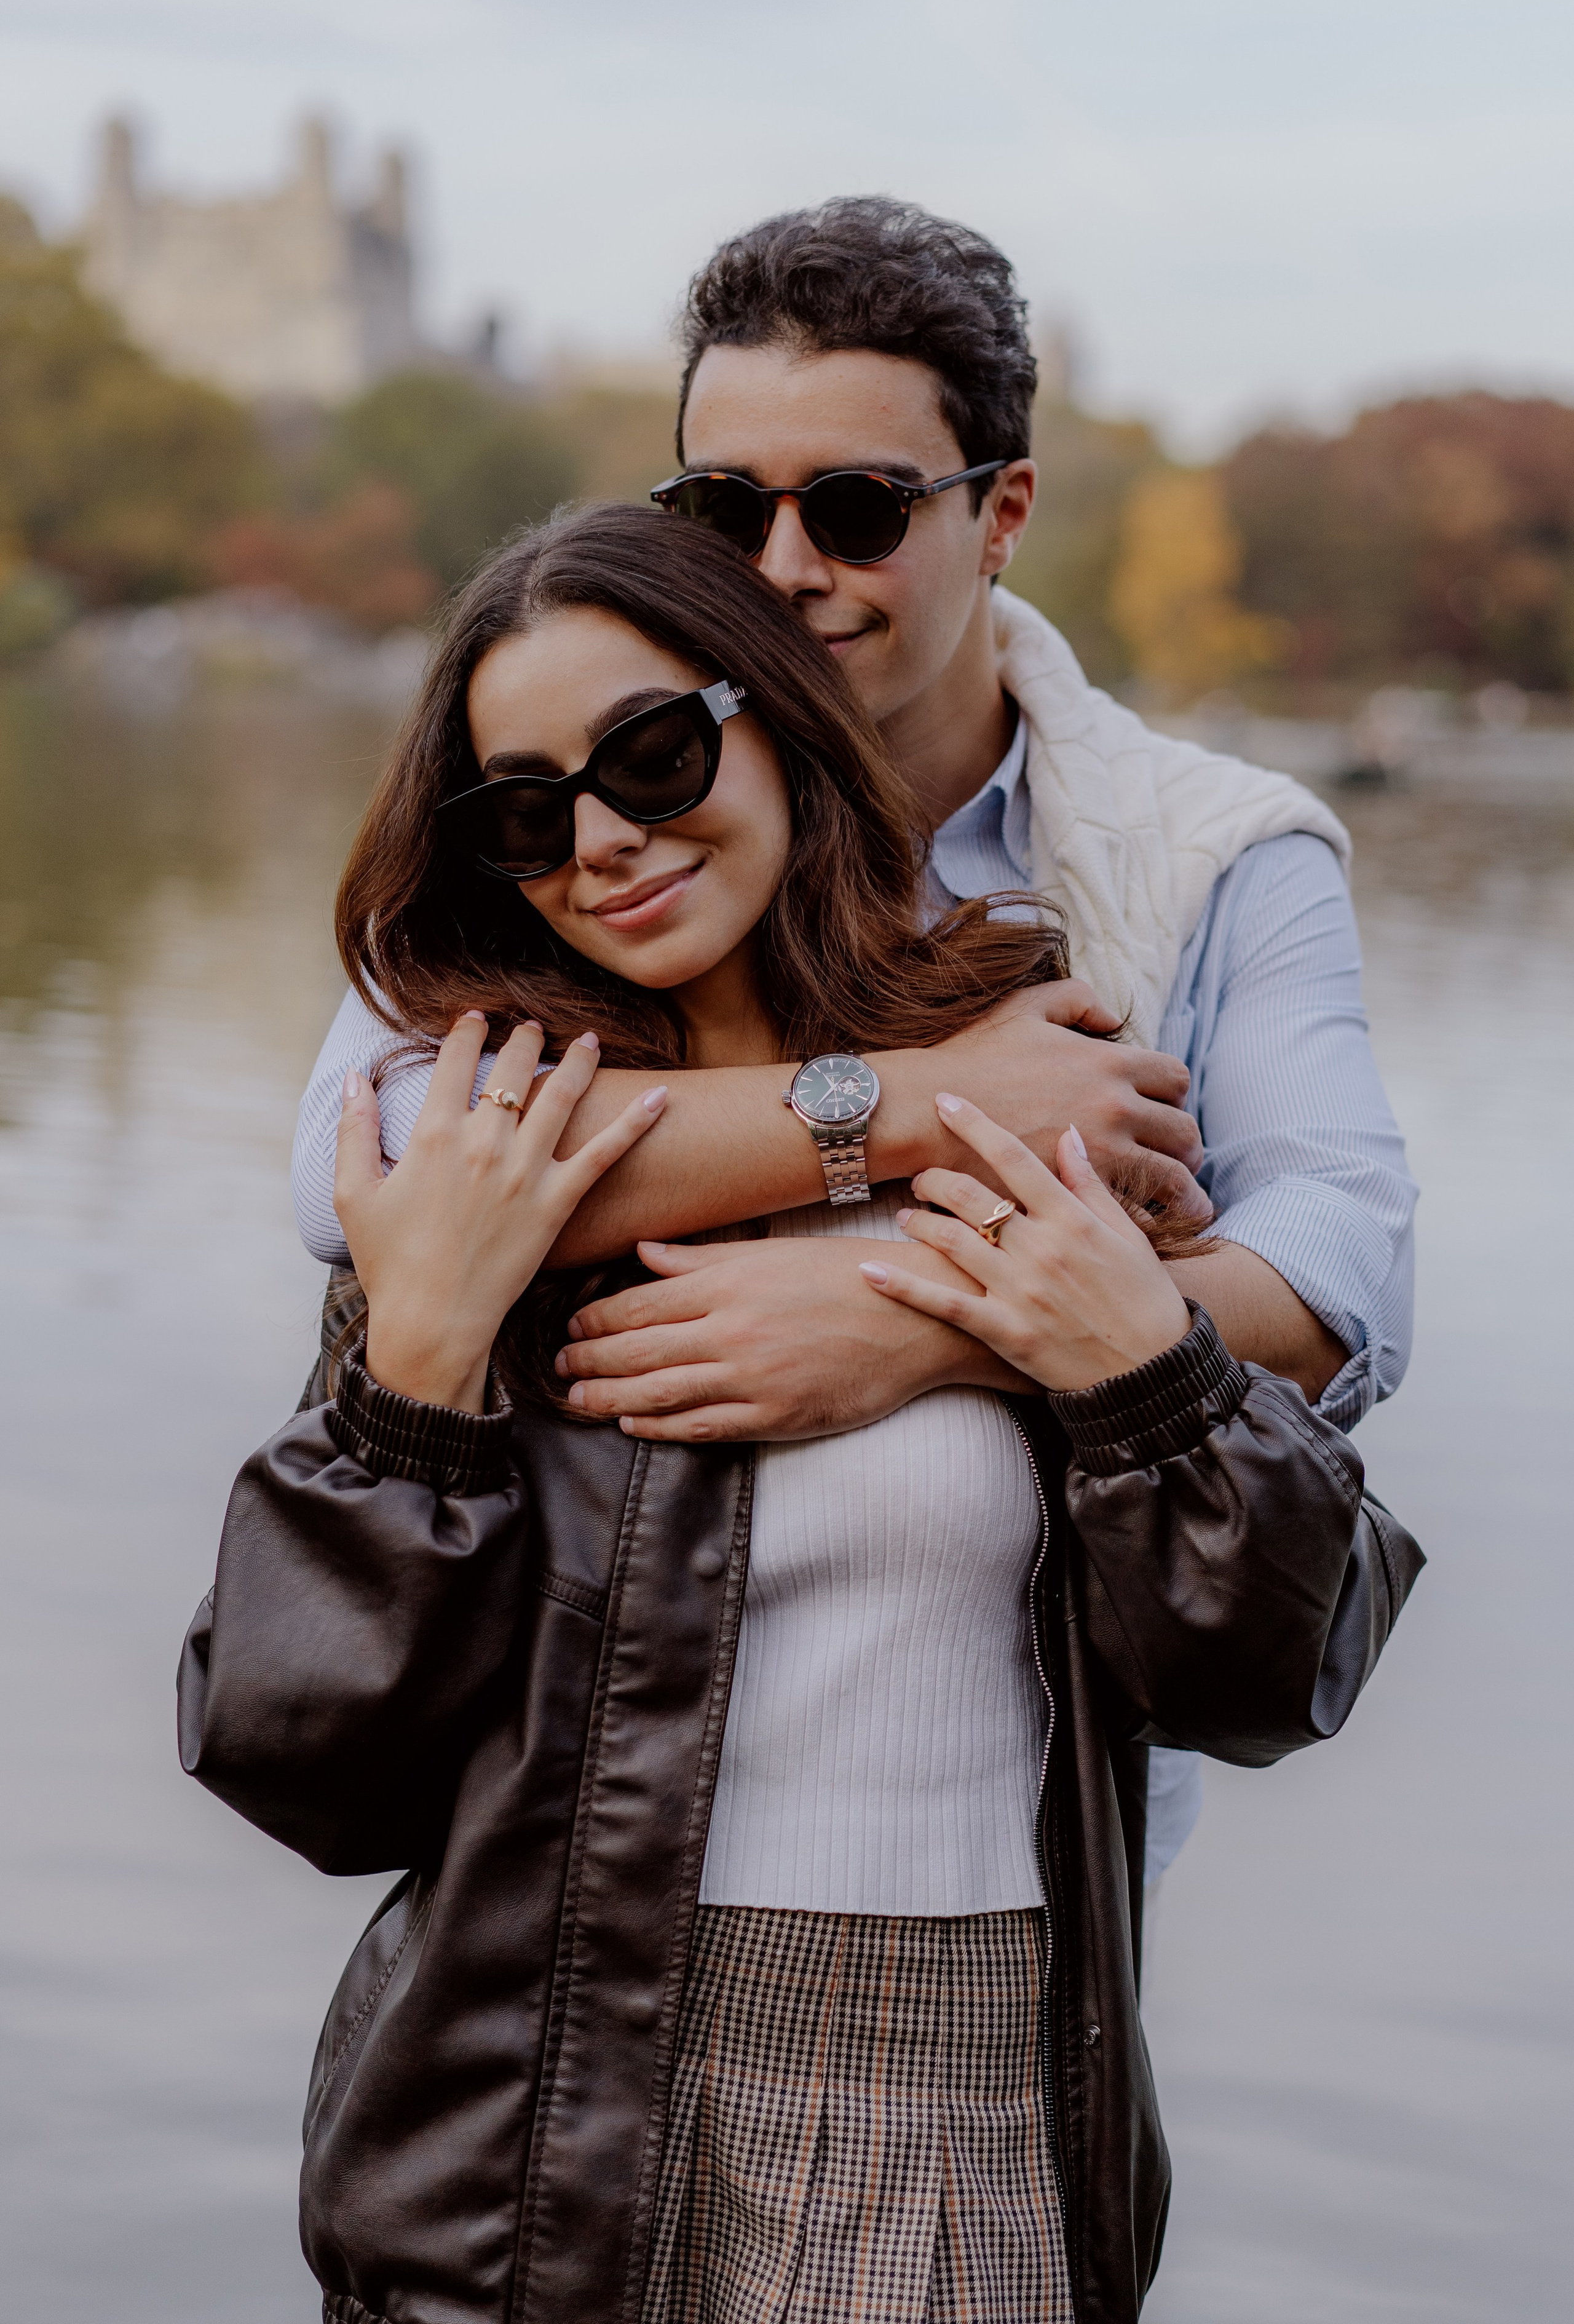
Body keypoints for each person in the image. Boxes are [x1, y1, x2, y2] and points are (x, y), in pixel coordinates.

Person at [181, 505, 1422, 2324]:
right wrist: (420, 1388)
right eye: (524, 811)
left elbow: (1273, 1666)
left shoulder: (1035, 1080)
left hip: (956, 2106)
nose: (603, 839)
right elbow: (303, 1767)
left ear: (771, 714)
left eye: (651, 754)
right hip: (519, 2127)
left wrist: (1126, 1363)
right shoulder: (481, 1170)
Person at [291, 199, 1417, 1894]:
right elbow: (359, 1170)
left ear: (1006, 512)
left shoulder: (1214, 852)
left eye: (861, 507)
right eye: (724, 507)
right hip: (581, 1853)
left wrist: (920, 1325)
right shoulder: (604, 797)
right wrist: (920, 1109)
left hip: (1012, 1874)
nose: (783, 566)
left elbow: (1343, 1280)